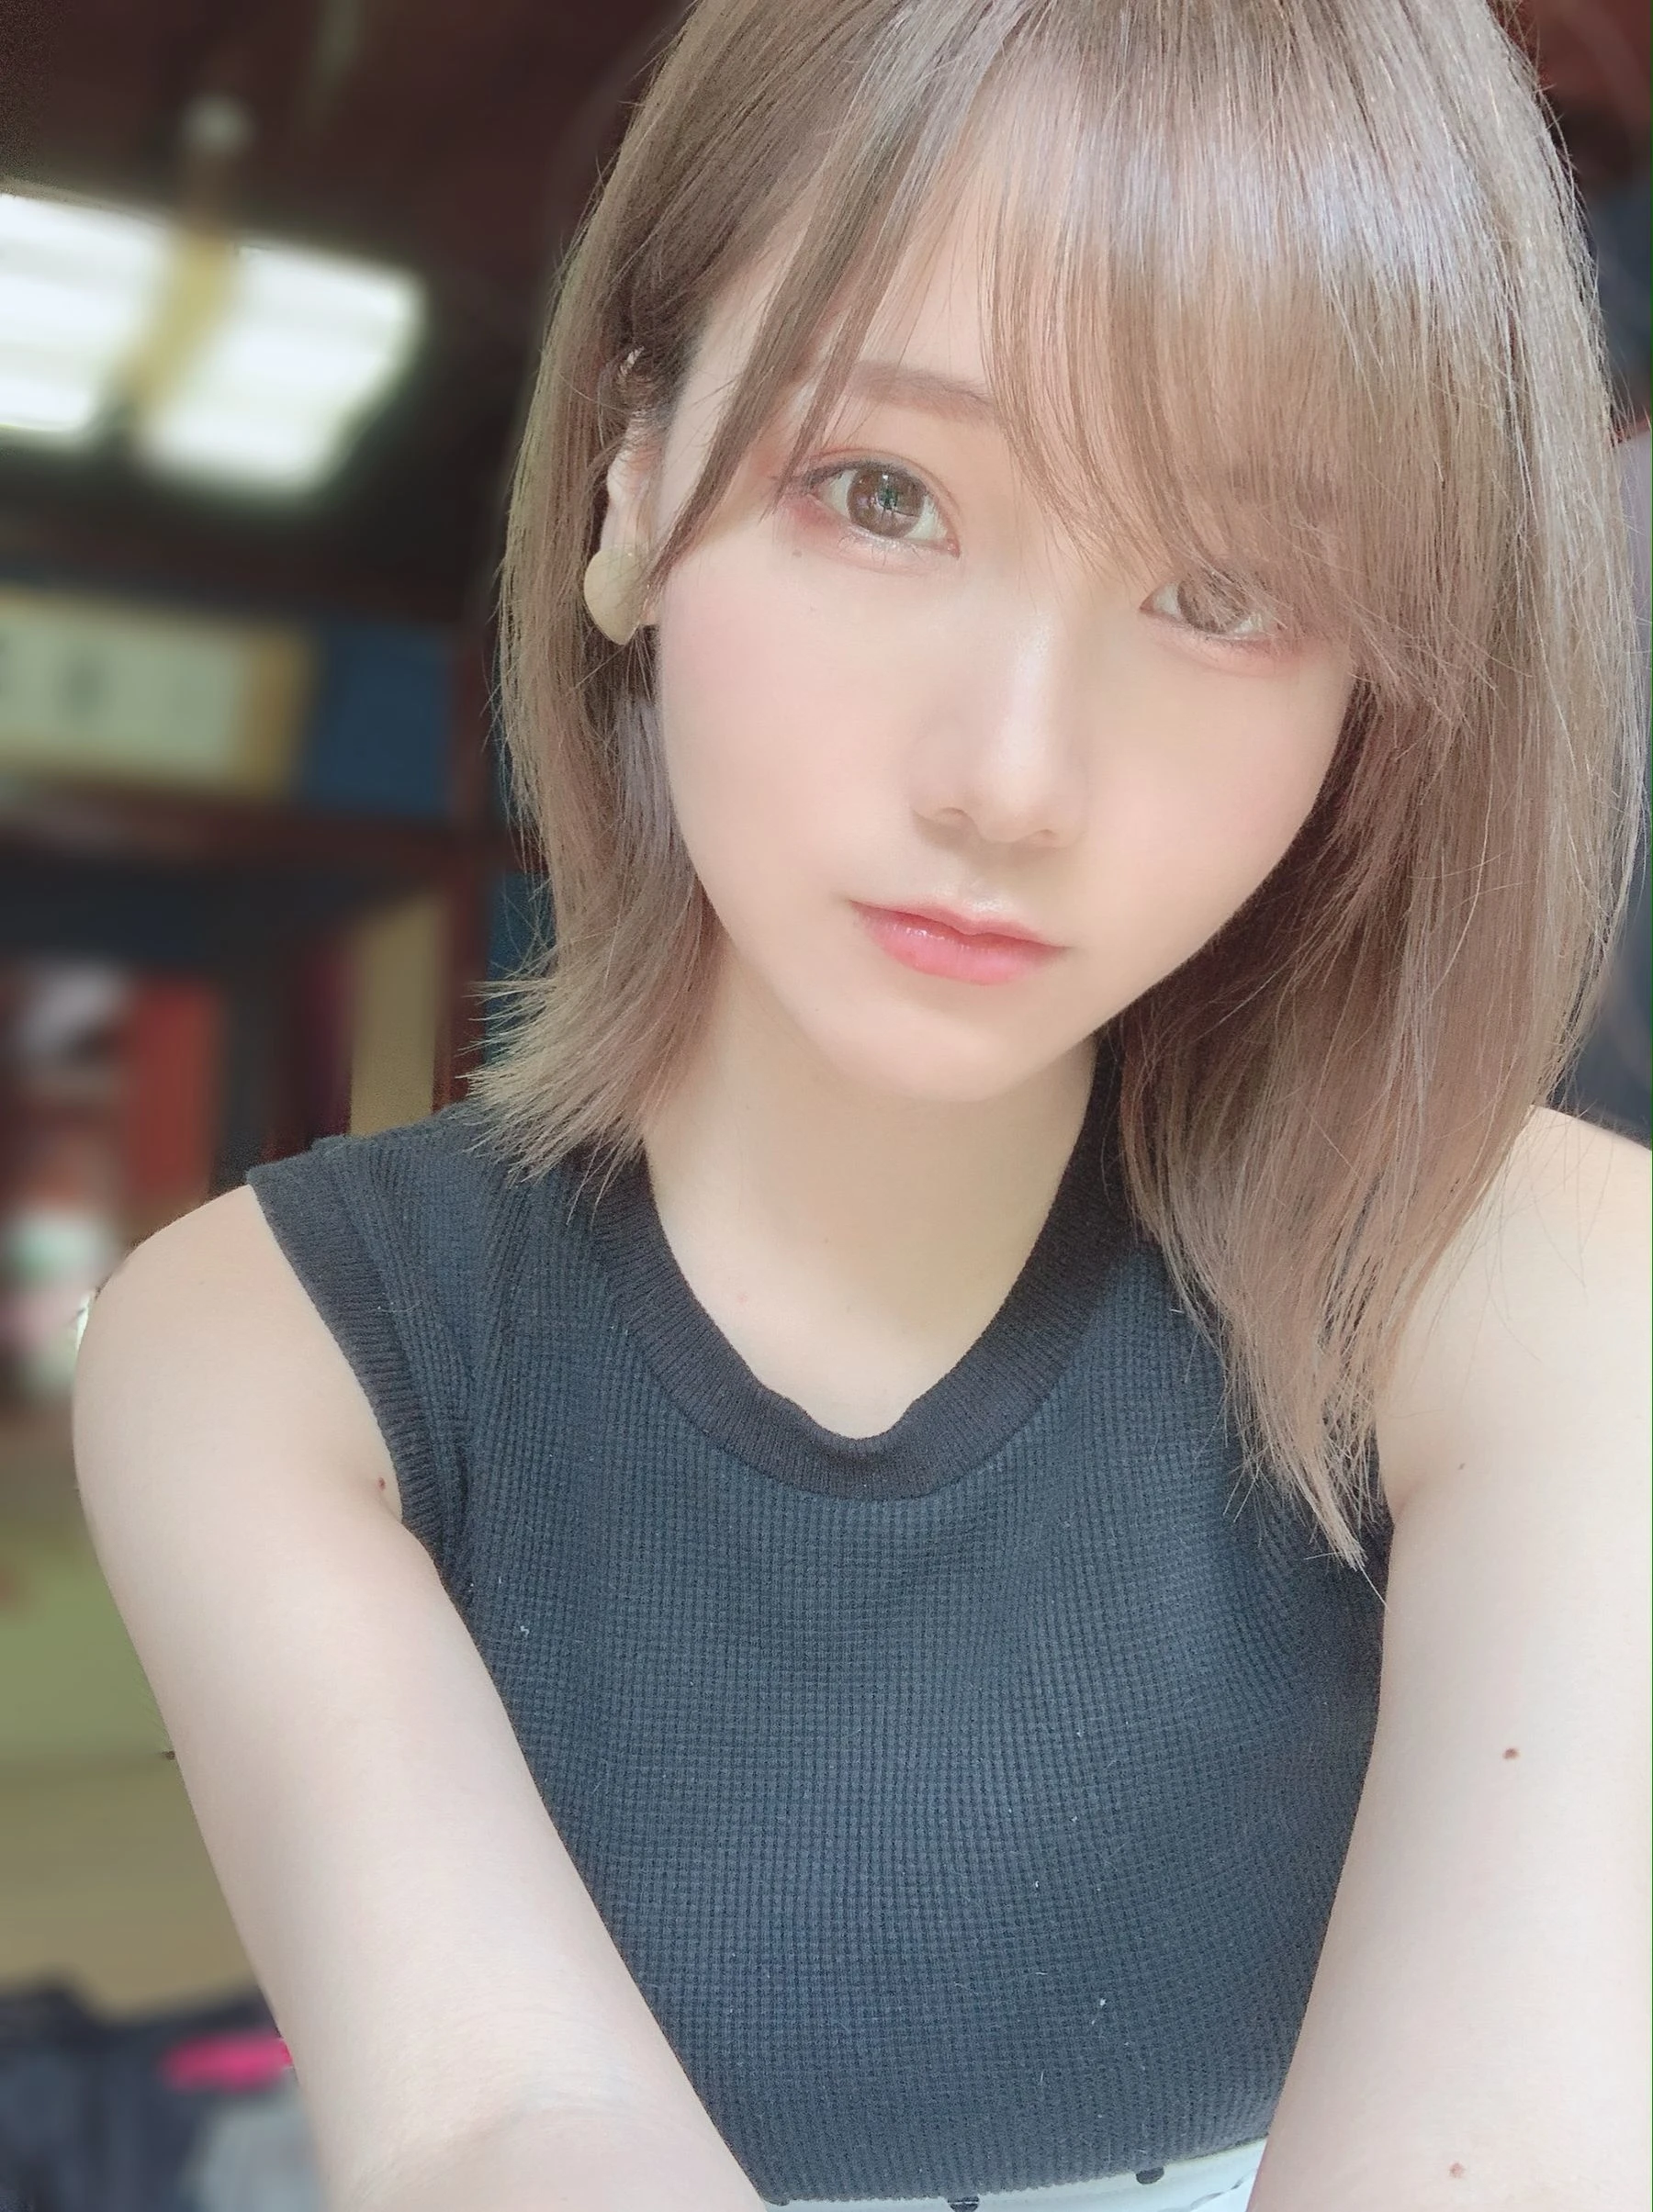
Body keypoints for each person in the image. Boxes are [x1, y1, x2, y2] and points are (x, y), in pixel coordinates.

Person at [70, 5, 1649, 2211]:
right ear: (630, 484)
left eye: (1226, 594)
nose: (1011, 777)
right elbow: (500, 2128)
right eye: (882, 493)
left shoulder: (1549, 1294)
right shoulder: (272, 1356)